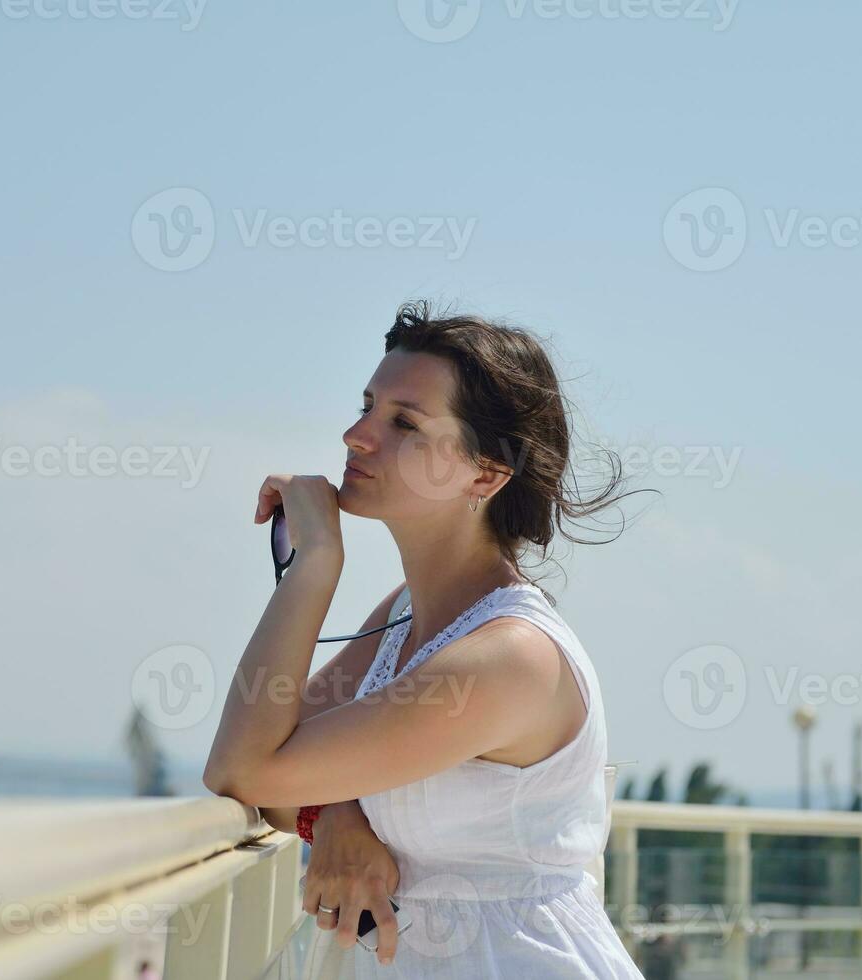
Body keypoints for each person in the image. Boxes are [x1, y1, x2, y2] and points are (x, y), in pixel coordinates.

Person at [204, 301, 648, 977]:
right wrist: (332, 815)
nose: (355, 434)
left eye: (402, 422)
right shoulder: (409, 615)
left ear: (485, 475)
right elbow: (265, 753)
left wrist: (316, 563)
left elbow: (243, 768)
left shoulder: (509, 656)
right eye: (366, 405)